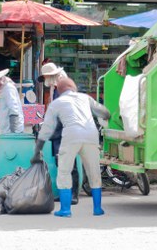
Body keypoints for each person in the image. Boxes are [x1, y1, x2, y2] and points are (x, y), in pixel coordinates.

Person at [31, 77, 110, 217]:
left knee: (64, 171)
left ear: (59, 90)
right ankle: (97, 208)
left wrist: (37, 151)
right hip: (91, 135)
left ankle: (65, 210)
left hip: (71, 136)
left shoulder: (57, 103)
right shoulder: (85, 98)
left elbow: (46, 130)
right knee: (94, 172)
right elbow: (104, 113)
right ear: (74, 88)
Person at [38, 61, 80, 205]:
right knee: (60, 163)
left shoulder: (64, 88)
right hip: (58, 132)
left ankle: (73, 194)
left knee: (70, 163)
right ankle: (65, 193)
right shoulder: (55, 88)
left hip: (67, 130)